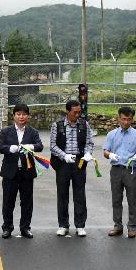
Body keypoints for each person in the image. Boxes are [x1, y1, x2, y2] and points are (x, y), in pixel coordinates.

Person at [0, 104, 44, 239]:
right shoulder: (6, 131)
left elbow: (40, 146)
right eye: (18, 114)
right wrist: (9, 148)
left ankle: (25, 228)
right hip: (10, 172)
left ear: (28, 116)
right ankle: (7, 228)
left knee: (27, 202)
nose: (21, 117)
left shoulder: (33, 132)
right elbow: (0, 147)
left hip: (27, 172)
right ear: (14, 116)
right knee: (8, 201)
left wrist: (31, 146)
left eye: (24, 114)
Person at [50, 99, 95, 237]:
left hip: (79, 163)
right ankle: (63, 225)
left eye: (79, 112)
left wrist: (88, 153)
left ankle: (80, 225)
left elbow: (89, 142)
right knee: (63, 194)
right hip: (63, 163)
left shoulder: (84, 124)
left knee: (80, 194)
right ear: (68, 111)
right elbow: (52, 146)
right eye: (75, 112)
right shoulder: (57, 125)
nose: (77, 115)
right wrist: (64, 156)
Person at [102, 106, 136, 238]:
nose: (126, 122)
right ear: (118, 118)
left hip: (131, 169)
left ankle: (132, 227)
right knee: (116, 198)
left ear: (132, 119)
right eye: (123, 119)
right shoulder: (112, 134)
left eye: (129, 119)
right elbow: (105, 151)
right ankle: (118, 225)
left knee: (132, 199)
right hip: (116, 169)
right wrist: (109, 155)